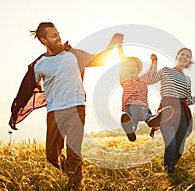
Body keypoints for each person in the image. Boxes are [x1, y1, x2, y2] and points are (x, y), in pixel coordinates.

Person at [9, 22, 123, 190]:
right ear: (43, 40)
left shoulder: (73, 55)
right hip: (54, 111)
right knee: (52, 156)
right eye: (53, 36)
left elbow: (99, 60)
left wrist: (112, 43)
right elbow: (25, 91)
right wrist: (15, 114)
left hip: (76, 107)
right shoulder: (39, 65)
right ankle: (73, 173)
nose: (59, 38)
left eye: (58, 34)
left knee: (73, 152)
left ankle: (75, 184)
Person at [147, 48, 195, 175]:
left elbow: (189, 100)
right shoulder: (165, 71)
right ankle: (169, 174)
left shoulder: (187, 79)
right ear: (177, 56)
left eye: (187, 56)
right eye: (182, 54)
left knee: (179, 150)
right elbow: (149, 80)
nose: (184, 57)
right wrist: (154, 62)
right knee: (170, 146)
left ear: (189, 62)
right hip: (167, 110)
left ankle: (171, 167)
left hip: (182, 113)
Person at [118, 43, 174, 142]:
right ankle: (131, 130)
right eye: (129, 67)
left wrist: (154, 61)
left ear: (138, 69)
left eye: (134, 67)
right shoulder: (125, 79)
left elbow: (151, 72)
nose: (132, 69)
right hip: (130, 107)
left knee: (147, 116)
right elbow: (122, 62)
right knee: (132, 120)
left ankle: (153, 120)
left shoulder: (143, 79)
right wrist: (119, 47)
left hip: (143, 106)